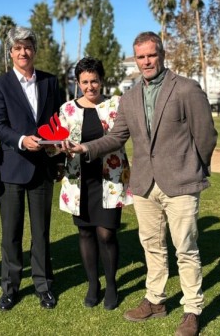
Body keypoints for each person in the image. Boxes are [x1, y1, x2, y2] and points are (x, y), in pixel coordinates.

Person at [62, 31, 217, 336]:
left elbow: (206, 135)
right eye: (141, 57)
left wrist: (196, 169)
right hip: (145, 184)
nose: (147, 61)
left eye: (151, 55)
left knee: (185, 247)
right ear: (136, 59)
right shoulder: (130, 97)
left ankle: (191, 310)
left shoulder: (186, 89)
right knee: (152, 246)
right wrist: (85, 148)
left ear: (161, 54)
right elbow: (117, 137)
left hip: (181, 182)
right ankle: (156, 300)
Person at [0, 26, 64, 311]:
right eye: (18, 48)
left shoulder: (50, 82)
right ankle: (10, 288)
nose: (23, 52)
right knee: (11, 233)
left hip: (43, 168)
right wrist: (21, 140)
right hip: (11, 168)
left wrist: (58, 161)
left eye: (28, 47)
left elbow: (57, 123)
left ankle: (43, 285)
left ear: (34, 50)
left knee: (41, 232)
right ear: (11, 53)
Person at [55, 57, 133, 310]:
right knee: (86, 232)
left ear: (102, 80)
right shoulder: (67, 109)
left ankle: (111, 285)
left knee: (106, 233)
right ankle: (93, 284)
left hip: (109, 178)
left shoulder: (116, 104)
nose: (90, 87)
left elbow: (119, 138)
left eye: (95, 81)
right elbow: (60, 141)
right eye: (85, 82)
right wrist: (59, 149)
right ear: (77, 83)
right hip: (80, 181)